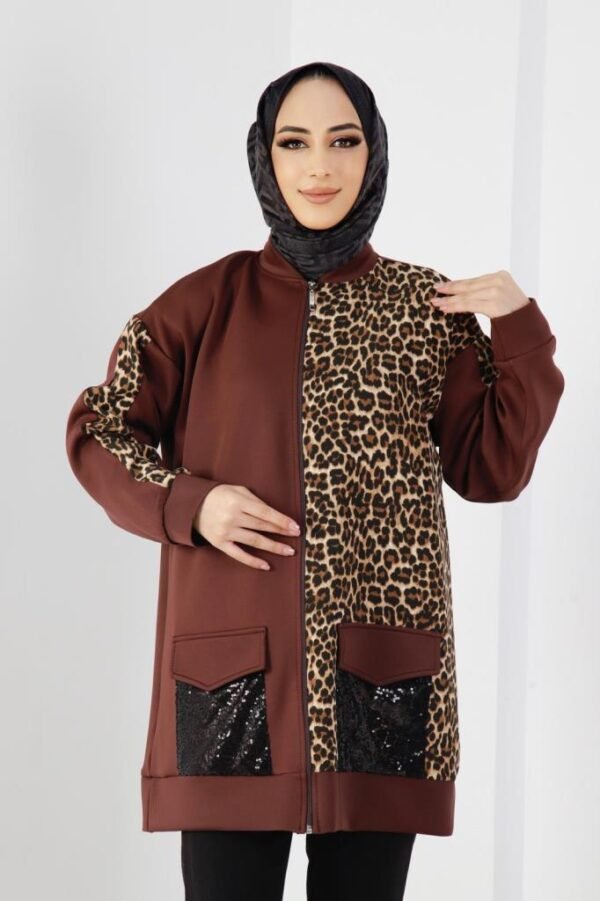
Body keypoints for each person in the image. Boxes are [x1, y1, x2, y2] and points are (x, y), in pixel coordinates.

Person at [65, 61, 565, 900]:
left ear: (375, 153)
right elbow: (98, 430)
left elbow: (491, 468)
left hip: (381, 677)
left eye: (344, 140)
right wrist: (193, 505)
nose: (320, 166)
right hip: (227, 682)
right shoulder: (202, 305)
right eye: (294, 143)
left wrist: (518, 334)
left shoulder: (421, 308)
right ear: (264, 156)